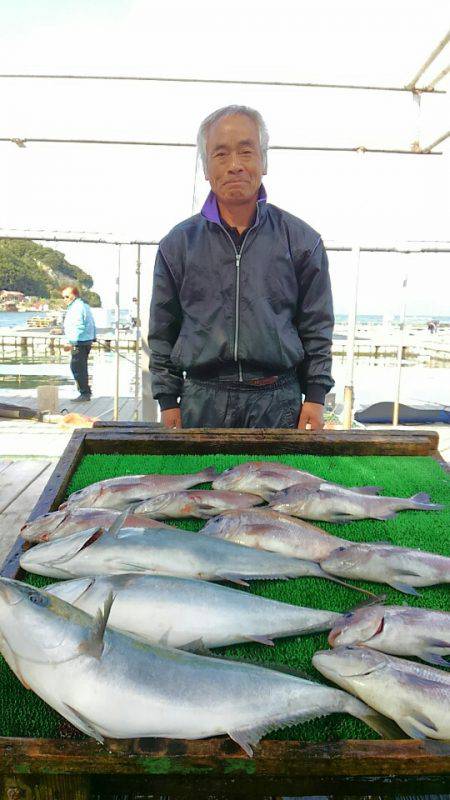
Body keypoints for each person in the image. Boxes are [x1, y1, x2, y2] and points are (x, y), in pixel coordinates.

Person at [149, 105, 334, 430]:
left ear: (264, 161)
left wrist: (316, 396)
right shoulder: (177, 245)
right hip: (201, 399)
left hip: (279, 400)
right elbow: (163, 329)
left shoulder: (302, 241)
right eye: (220, 154)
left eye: (246, 151)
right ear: (206, 168)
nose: (234, 165)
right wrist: (167, 400)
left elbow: (317, 325)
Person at [61, 286, 96, 401]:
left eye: (67, 297)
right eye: (63, 297)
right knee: (81, 367)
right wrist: (93, 337)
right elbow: (91, 323)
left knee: (77, 368)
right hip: (85, 340)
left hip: (79, 341)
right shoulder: (84, 305)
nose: (65, 299)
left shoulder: (76, 308)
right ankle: (86, 392)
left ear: (74, 295)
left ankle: (84, 393)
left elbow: (78, 326)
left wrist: (71, 343)